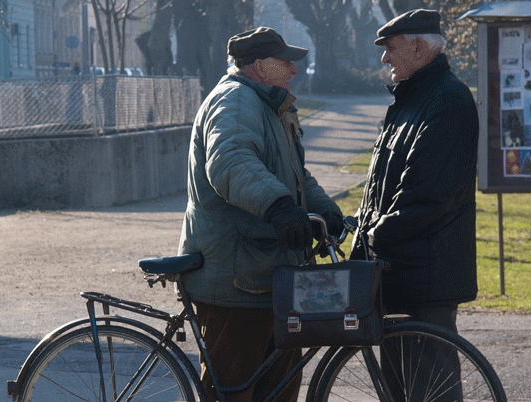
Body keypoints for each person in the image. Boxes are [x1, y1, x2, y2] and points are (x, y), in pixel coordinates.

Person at [178, 26, 343, 402]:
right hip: (236, 278)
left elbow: (296, 176)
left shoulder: (269, 105)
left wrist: (326, 212)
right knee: (235, 390)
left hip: (267, 274)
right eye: (285, 61)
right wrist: (280, 207)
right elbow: (230, 163)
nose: (294, 70)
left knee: (279, 389)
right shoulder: (235, 101)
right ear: (258, 65)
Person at [351, 9, 480, 400]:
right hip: (399, 272)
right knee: (401, 391)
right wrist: (358, 223)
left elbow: (428, 196)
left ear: (419, 48)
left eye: (391, 48)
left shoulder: (447, 102)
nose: (384, 58)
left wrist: (373, 233)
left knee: (429, 392)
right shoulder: (410, 101)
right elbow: (383, 188)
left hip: (427, 277)